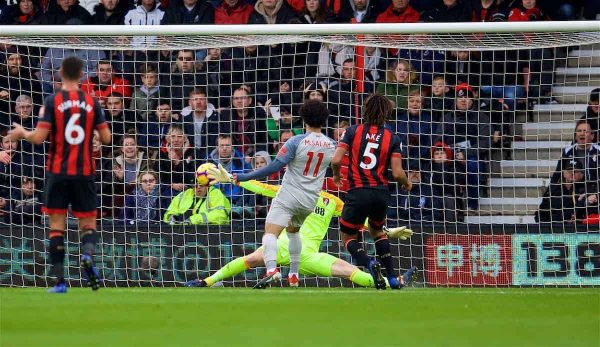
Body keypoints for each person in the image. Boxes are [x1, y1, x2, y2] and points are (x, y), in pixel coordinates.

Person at [184, 179, 416, 288]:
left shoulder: (292, 191)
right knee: (351, 271)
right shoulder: (332, 201)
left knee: (251, 259)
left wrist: (234, 179)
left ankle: (206, 281)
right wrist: (386, 230)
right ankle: (391, 281)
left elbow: (262, 187)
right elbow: (358, 221)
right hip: (310, 256)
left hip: (286, 245)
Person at [8, 56, 112, 293]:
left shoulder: (52, 101)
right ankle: (87, 255)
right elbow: (106, 139)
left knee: (56, 227)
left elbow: (39, 138)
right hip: (84, 171)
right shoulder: (91, 101)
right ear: (82, 74)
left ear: (61, 73)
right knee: (88, 225)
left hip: (57, 172)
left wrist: (23, 132)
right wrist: (93, 135)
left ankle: (60, 282)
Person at [208, 99, 335, 288]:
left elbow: (274, 166)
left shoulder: (296, 141)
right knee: (293, 231)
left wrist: (242, 176)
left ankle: (271, 271)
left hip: (289, 195)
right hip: (310, 201)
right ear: (324, 119)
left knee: (270, 234)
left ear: (304, 119)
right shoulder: (332, 144)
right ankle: (293, 274)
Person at [331, 93, 412, 290]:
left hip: (358, 191)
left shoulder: (352, 131)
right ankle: (392, 278)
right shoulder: (392, 138)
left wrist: (335, 176)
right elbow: (398, 173)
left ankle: (369, 262)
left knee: (348, 236)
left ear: (366, 110)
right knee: (378, 232)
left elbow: (335, 160)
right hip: (380, 193)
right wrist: (406, 183)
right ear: (387, 113)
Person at [163, 165, 231, 225]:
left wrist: (193, 220)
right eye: (195, 185)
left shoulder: (216, 194)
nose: (198, 187)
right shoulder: (184, 195)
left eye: (201, 185)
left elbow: (220, 215)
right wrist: (171, 217)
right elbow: (170, 211)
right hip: (183, 233)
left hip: (211, 234)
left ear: (208, 185)